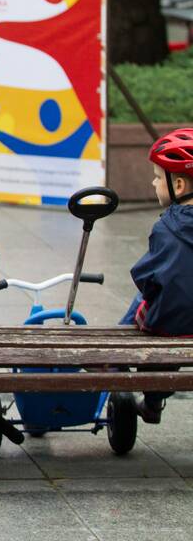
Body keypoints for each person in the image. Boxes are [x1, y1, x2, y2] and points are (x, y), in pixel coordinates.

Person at [118, 128, 193, 424]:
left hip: (172, 323)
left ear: (178, 183)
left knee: (151, 302)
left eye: (157, 177)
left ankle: (149, 398)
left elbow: (148, 279)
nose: (153, 183)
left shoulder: (165, 228)